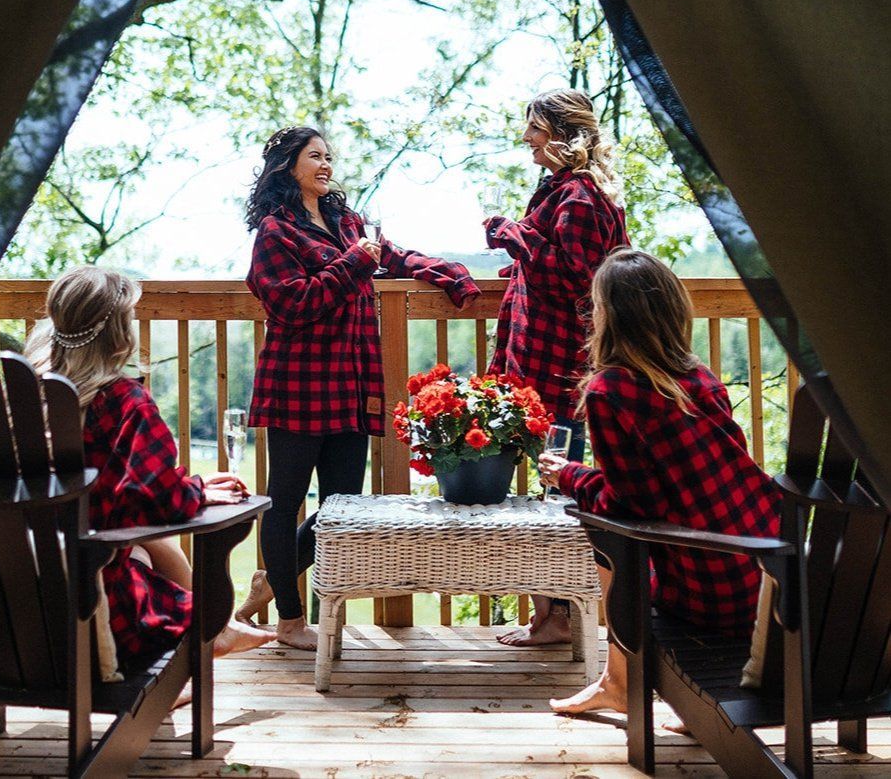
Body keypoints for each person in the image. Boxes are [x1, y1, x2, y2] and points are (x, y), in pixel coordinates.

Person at [236, 125, 480, 650]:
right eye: (314, 157)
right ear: (287, 166)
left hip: (349, 383)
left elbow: (397, 257)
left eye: (329, 157)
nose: (325, 165)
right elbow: (293, 304)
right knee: (285, 502)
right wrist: (356, 262)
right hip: (297, 384)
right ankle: (288, 619)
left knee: (342, 505)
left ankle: (275, 580)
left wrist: (453, 275)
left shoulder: (348, 223)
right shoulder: (276, 233)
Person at [539, 248, 781, 716]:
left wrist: (569, 475)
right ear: (673, 308)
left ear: (606, 315)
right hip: (770, 572)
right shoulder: (701, 378)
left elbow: (625, 505)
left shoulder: (611, 391)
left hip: (713, 594)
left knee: (606, 534)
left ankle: (619, 683)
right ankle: (655, 693)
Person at [24, 266, 275, 687]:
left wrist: (192, 487)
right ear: (120, 335)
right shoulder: (125, 402)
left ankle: (221, 634)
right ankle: (209, 640)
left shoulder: (31, 395)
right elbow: (157, 500)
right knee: (157, 560)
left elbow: (120, 494)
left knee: (143, 546)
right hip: (105, 610)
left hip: (22, 603)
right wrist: (193, 494)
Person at [484, 89, 629, 647]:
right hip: (539, 366)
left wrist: (509, 232)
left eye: (537, 130)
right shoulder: (562, 193)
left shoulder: (582, 198)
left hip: (563, 370)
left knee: (561, 491)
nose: (527, 140)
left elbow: (576, 280)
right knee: (550, 491)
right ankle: (550, 616)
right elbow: (550, 264)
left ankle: (564, 618)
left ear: (566, 135)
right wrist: (517, 263)